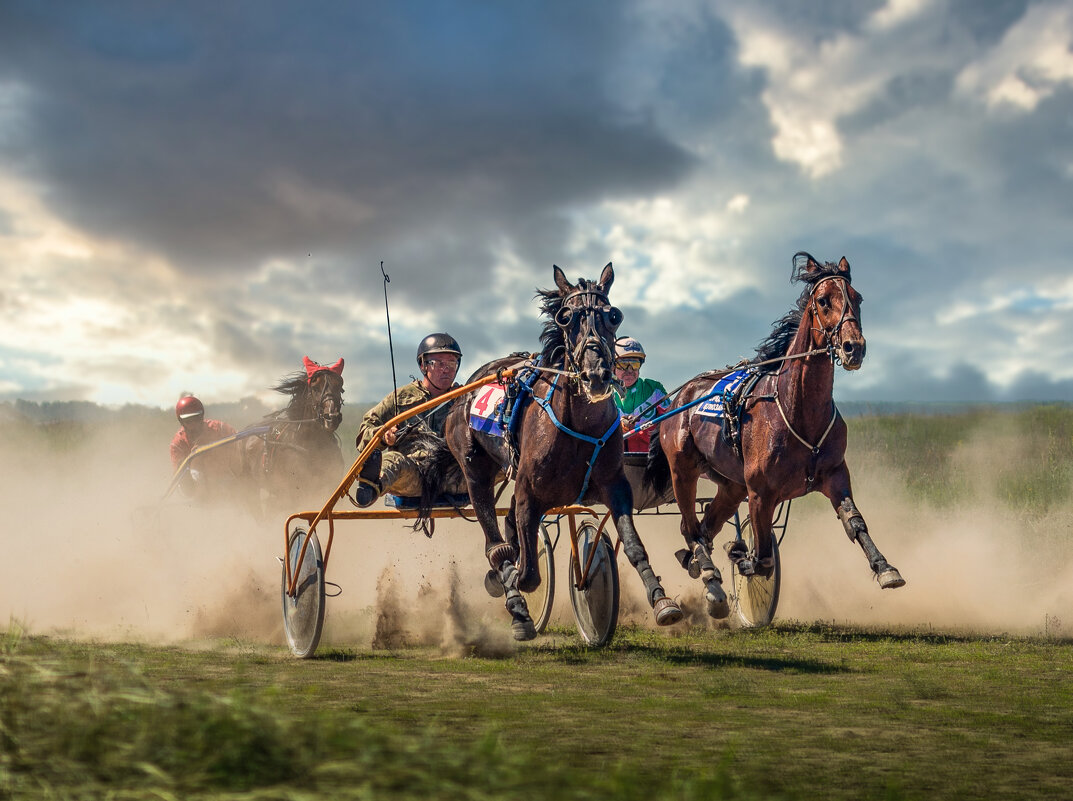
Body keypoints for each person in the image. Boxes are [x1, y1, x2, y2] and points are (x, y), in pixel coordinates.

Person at [353, 333, 467, 506]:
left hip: (455, 476)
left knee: (500, 460)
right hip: (415, 475)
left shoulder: (465, 398)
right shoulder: (401, 398)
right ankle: (369, 489)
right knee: (393, 461)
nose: (446, 369)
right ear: (423, 365)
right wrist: (384, 436)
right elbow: (364, 434)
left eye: (452, 363)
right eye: (439, 363)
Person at [169, 395, 238, 495]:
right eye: (188, 421)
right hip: (193, 487)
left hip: (222, 478)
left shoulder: (220, 428)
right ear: (181, 422)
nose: (194, 425)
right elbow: (180, 474)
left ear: (202, 416)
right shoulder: (177, 444)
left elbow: (240, 443)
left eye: (196, 419)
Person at [612, 336, 667, 453]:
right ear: (612, 366)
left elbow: (671, 422)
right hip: (613, 461)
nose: (630, 370)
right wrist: (618, 426)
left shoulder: (655, 389)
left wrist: (638, 430)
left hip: (650, 459)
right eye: (623, 364)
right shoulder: (603, 394)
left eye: (635, 364)